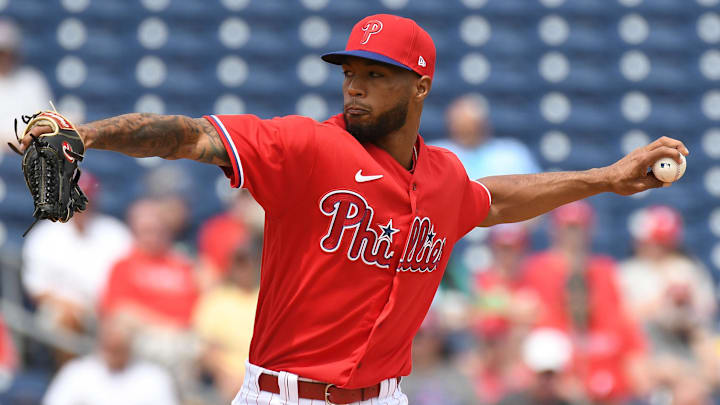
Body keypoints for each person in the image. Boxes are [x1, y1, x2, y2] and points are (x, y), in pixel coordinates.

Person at [19, 14, 688, 405]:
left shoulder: (444, 177)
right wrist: (91, 132)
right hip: (284, 394)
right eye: (350, 72)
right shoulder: (309, 147)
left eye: (376, 74)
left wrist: (604, 177)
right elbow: (189, 134)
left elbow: (498, 200)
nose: (356, 86)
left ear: (421, 83)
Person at [520, 201, 648, 404]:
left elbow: (624, 326)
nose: (573, 234)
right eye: (568, 227)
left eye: (578, 228)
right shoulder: (536, 269)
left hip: (608, 379)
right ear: (556, 229)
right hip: (557, 373)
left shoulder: (604, 269)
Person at [22, 172, 132, 339]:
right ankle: (69, 366)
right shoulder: (45, 235)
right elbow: (37, 289)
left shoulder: (115, 233)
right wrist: (73, 308)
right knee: (61, 318)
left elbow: (128, 279)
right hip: (63, 306)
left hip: (108, 308)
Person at [42, 315, 179, 405]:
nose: (112, 352)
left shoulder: (154, 378)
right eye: (109, 346)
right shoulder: (76, 373)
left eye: (117, 348)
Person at [193, 242, 262, 402]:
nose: (246, 268)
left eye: (250, 262)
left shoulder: (267, 299)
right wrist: (227, 375)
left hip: (261, 377)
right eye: (240, 263)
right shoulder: (217, 299)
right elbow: (205, 350)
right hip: (226, 379)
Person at [433, 95, 540, 179]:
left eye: (472, 127)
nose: (468, 133)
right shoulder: (435, 156)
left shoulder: (513, 154)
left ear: (485, 125)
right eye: (462, 127)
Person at [0, 18, 53, 147]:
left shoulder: (32, 81)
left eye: (5, 52)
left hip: (27, 154)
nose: (3, 58)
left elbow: (46, 125)